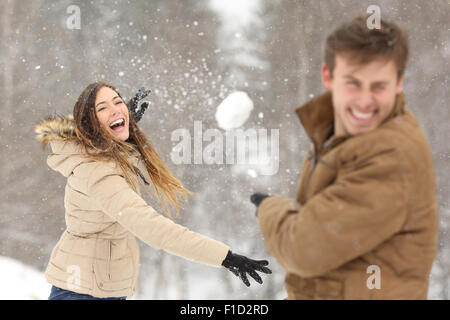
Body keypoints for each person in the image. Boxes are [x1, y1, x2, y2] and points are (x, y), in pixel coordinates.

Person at [251, 15, 438, 299]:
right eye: (353, 83)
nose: (364, 100)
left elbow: (304, 249)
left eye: (379, 86)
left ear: (399, 82)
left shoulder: (393, 155)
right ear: (328, 77)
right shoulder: (337, 137)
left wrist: (269, 207)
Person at [35, 82, 271, 300]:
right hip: (83, 289)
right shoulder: (99, 172)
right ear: (90, 122)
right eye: (103, 108)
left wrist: (119, 130)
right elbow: (153, 228)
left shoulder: (101, 154)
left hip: (94, 284)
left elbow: (103, 147)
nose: (117, 109)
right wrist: (224, 256)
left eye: (118, 102)